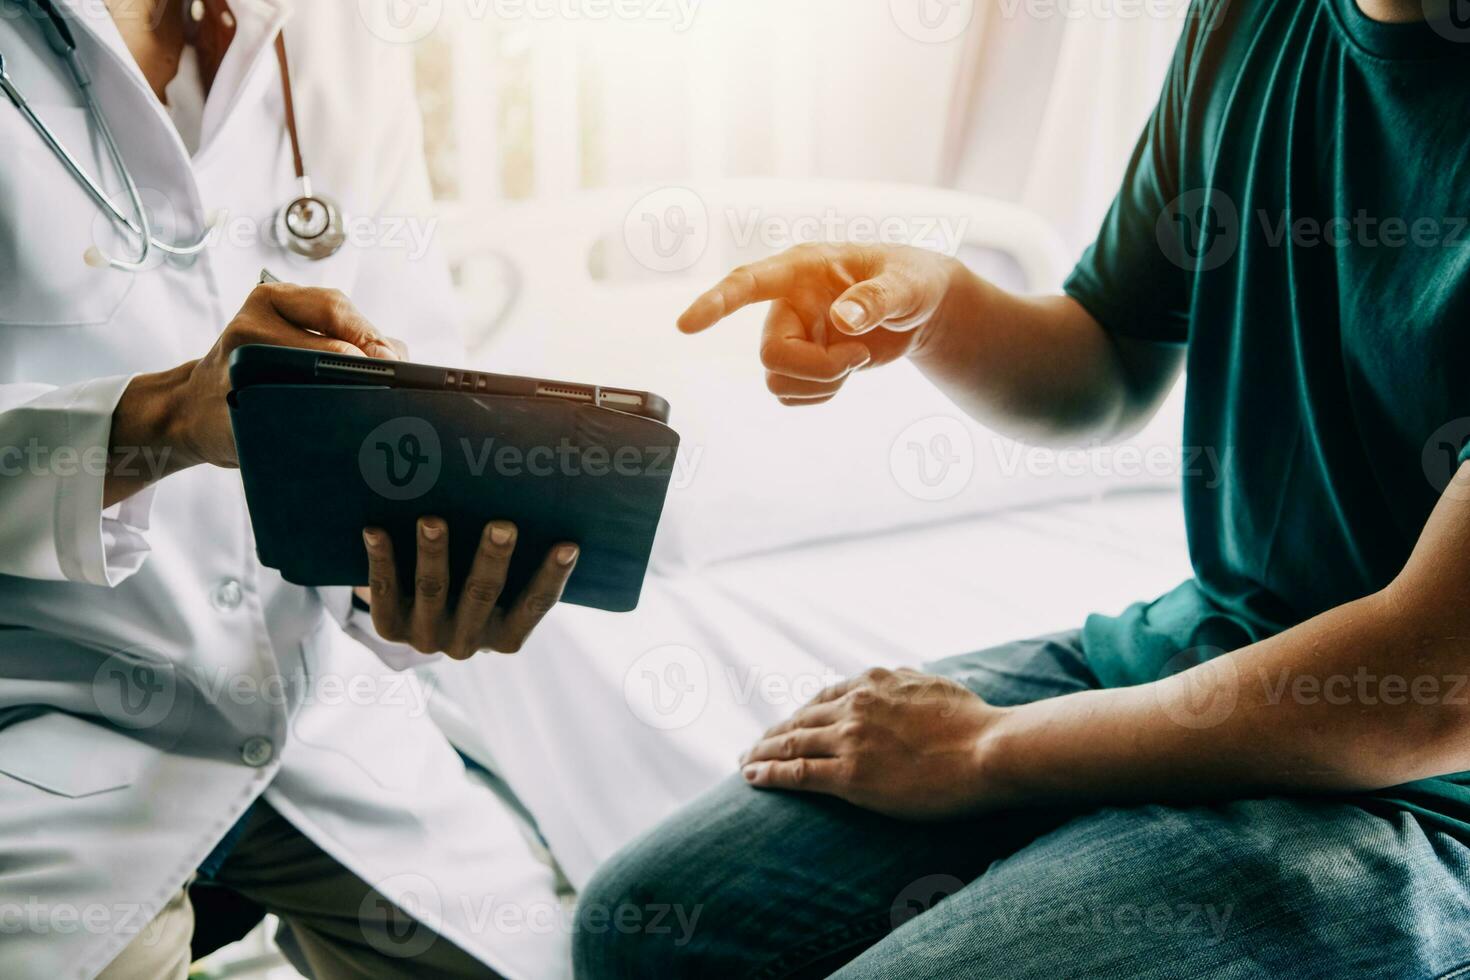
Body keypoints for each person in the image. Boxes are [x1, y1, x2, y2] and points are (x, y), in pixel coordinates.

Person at [574, 0, 1470, 975]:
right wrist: (936, 308)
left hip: (1427, 787)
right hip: (1198, 650)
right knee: (646, 929)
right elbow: (1107, 364)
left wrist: (984, 749)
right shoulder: (1249, 18)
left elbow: (1427, 696)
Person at [0, 2, 576, 977]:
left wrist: (409, 581)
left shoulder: (340, 31)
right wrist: (163, 417)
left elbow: (408, 370)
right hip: (39, 719)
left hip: (317, 705)